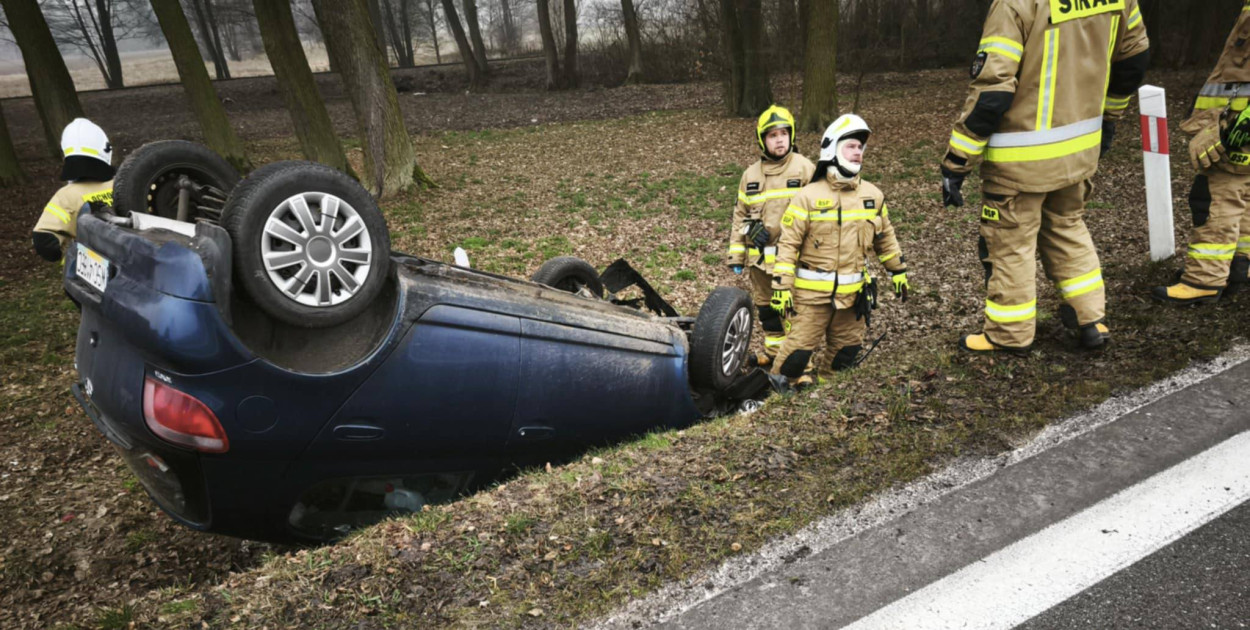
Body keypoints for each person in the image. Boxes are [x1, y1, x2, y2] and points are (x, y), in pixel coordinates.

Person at [939, 0, 1150, 352]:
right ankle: (1091, 319)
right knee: (1067, 226)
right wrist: (1110, 118)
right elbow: (1134, 60)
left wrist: (958, 159)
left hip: (1020, 159)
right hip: (1079, 150)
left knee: (1010, 243)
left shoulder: (1015, 4)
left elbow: (992, 89)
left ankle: (1009, 334)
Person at [769, 114, 908, 389]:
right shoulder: (807, 197)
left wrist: (898, 270)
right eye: (851, 146)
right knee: (794, 359)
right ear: (832, 149)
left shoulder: (873, 196)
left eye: (860, 147)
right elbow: (788, 244)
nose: (858, 153)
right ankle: (778, 402)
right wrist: (781, 286)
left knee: (845, 355)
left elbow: (885, 237)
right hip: (811, 298)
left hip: (852, 298)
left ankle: (829, 399)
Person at [1152, 6, 1250, 304]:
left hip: (1237, 124)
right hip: (1233, 118)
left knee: (1213, 196)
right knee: (1241, 194)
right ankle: (1240, 264)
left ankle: (1203, 280)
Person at [725, 105, 816, 368]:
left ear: (792, 135)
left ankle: (800, 366)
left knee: (792, 311)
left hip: (792, 261)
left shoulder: (804, 169)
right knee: (767, 310)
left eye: (784, 134)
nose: (779, 140)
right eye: (772, 135)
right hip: (759, 262)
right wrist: (738, 251)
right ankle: (774, 352)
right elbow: (739, 214)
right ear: (762, 140)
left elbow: (819, 213)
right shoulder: (750, 175)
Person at [31, 118, 115, 263]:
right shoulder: (125, 184)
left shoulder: (67, 196)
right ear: (106, 149)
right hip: (130, 267)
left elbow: (45, 241)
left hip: (85, 272)